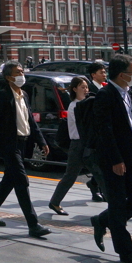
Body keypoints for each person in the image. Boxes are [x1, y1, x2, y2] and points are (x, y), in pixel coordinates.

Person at [89, 54, 132, 263]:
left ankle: (102, 220)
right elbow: (104, 130)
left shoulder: (126, 93)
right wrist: (116, 159)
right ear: (121, 74)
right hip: (113, 159)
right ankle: (127, 252)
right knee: (118, 206)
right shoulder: (106, 95)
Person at [0, 62, 52, 238]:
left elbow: (30, 121)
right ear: (8, 77)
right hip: (7, 144)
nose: (21, 75)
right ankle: (33, 225)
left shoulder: (23, 94)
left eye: (22, 71)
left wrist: (41, 141)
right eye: (17, 72)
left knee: (9, 179)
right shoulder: (3, 95)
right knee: (21, 180)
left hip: (22, 143)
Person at [49, 76, 91, 214]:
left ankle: (114, 204)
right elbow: (82, 127)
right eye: (82, 87)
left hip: (86, 144)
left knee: (100, 172)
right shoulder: (74, 106)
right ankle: (54, 202)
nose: (86, 90)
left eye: (86, 87)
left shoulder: (86, 103)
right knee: (70, 176)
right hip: (78, 145)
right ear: (74, 89)